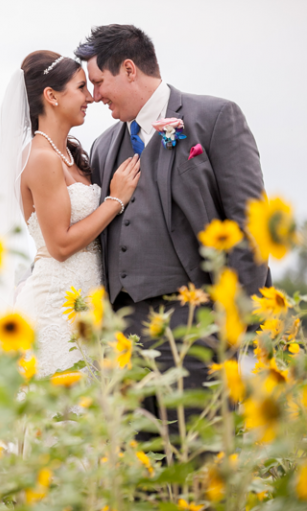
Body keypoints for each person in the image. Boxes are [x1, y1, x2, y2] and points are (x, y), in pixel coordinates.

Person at [74, 24, 270, 438]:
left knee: (200, 464)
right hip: (124, 341)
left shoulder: (214, 118)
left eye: (98, 82)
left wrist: (230, 323)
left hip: (197, 329)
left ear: (129, 69)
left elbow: (251, 226)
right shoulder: (104, 145)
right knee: (139, 472)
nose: (94, 96)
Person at [0, 50, 141, 379]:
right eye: (80, 88)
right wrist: (115, 201)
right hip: (55, 309)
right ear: (51, 96)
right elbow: (59, 245)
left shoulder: (69, 155)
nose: (91, 97)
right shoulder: (41, 157)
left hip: (85, 305)